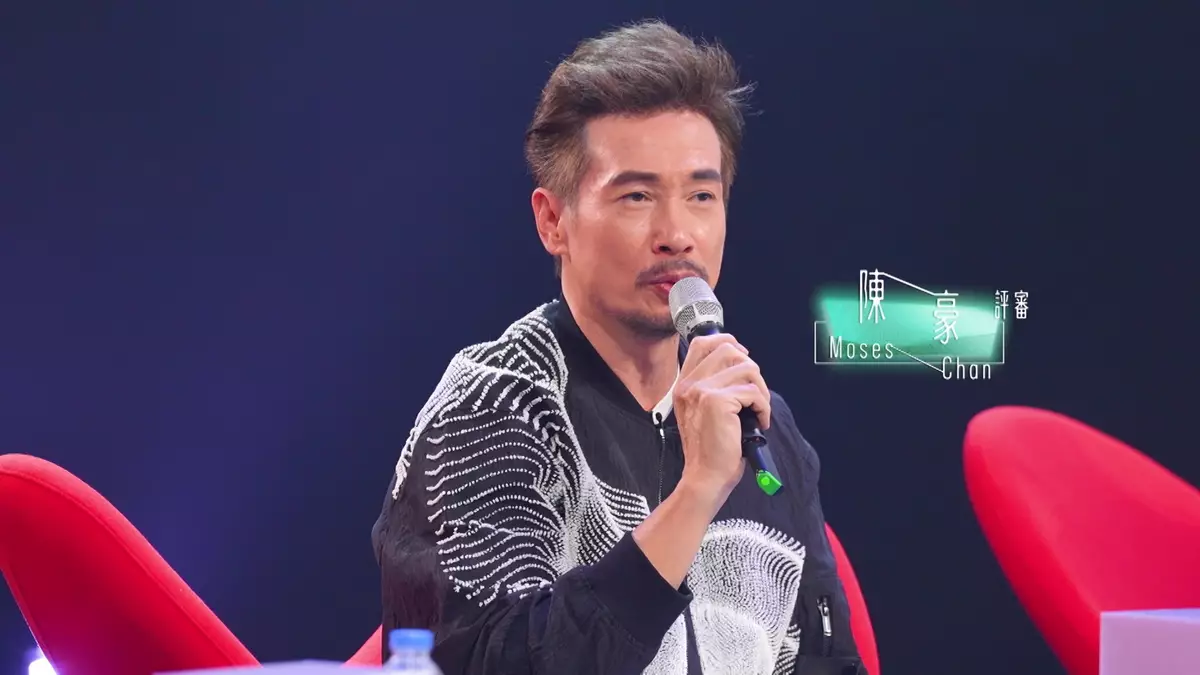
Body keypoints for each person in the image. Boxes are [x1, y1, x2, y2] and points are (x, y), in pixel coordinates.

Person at [372, 19, 866, 675]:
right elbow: (497, 662)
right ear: (553, 221)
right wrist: (697, 493)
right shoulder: (493, 410)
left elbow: (828, 661)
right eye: (637, 195)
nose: (677, 233)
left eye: (701, 195)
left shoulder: (760, 425)